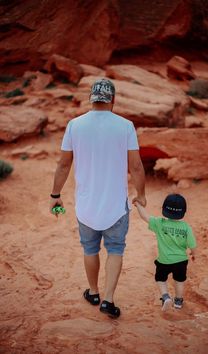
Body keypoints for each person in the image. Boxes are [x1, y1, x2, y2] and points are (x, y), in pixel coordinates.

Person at [50, 78, 146, 318]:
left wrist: (55, 195)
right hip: (116, 206)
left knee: (90, 248)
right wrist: (141, 194)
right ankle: (108, 300)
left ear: (91, 99)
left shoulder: (75, 125)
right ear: (113, 99)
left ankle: (93, 292)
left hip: (86, 207)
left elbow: (63, 164)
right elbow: (136, 165)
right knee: (115, 249)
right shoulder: (125, 126)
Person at [134, 194, 196, 311]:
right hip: (181, 261)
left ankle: (166, 296)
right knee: (179, 280)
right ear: (183, 211)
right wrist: (193, 254)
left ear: (163, 209)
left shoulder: (159, 223)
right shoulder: (186, 227)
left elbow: (145, 217)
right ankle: (178, 301)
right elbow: (192, 245)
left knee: (160, 279)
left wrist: (138, 205)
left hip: (164, 261)